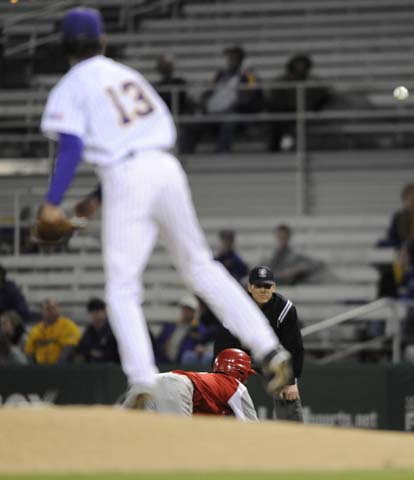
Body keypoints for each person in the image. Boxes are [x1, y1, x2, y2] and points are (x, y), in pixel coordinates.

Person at [36, 7, 291, 406]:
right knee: (201, 267)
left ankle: (141, 381)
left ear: (63, 45)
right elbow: (137, 136)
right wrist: (97, 199)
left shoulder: (72, 84)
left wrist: (52, 202)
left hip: (127, 172)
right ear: (102, 40)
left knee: (121, 289)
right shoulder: (126, 75)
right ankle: (271, 350)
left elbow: (71, 146)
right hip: (165, 166)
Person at [214, 266, 304, 422]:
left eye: (267, 286)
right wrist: (218, 374)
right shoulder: (237, 307)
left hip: (271, 357)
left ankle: (293, 433)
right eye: (258, 286)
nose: (263, 290)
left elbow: (294, 346)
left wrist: (291, 381)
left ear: (274, 287)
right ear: (250, 287)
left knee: (286, 383)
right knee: (224, 384)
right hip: (241, 357)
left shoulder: (284, 308)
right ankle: (228, 424)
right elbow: (223, 342)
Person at [123, 348, 258, 419]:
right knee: (180, 443)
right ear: (241, 372)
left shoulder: (212, 384)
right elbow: (252, 427)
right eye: (247, 374)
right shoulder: (235, 386)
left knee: (128, 430)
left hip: (148, 382)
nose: (246, 380)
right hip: (176, 387)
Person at [182, 45, 263, 153]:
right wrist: (204, 101)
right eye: (229, 57)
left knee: (230, 121)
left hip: (236, 111)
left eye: (233, 56)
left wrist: (238, 104)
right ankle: (186, 152)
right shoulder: (220, 75)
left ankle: (221, 151)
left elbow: (253, 93)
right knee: (194, 122)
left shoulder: (248, 76)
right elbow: (210, 90)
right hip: (214, 112)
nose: (230, 59)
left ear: (240, 58)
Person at [265, 53, 331, 152]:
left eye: (303, 64)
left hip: (306, 112)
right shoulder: (282, 80)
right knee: (277, 120)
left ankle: (286, 144)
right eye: (298, 63)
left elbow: (325, 94)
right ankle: (279, 147)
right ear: (292, 65)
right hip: (286, 112)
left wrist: (314, 106)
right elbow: (274, 97)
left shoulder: (313, 81)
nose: (301, 66)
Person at [156, 295, 216, 365]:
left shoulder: (198, 328)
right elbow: (159, 343)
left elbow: (202, 342)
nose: (186, 312)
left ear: (194, 312)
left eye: (189, 310)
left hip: (182, 363)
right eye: (185, 309)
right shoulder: (170, 327)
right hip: (165, 361)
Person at [24, 298, 81, 364]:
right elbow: (29, 352)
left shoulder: (68, 325)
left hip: (62, 368)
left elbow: (70, 348)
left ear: (57, 309)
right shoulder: (36, 329)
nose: (51, 311)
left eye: (53, 308)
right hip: (40, 369)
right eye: (48, 309)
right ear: (42, 311)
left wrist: (56, 368)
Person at [73, 297, 120, 363]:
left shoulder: (113, 330)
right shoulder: (89, 331)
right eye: (92, 312)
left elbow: (115, 353)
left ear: (104, 312)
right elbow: (80, 349)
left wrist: (96, 353)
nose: (95, 315)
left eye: (98, 311)